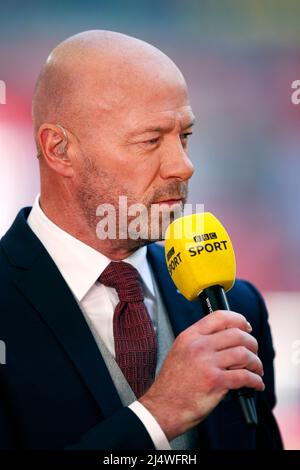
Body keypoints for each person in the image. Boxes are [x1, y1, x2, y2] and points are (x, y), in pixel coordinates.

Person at [0, 30, 282, 450]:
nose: (183, 166)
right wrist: (157, 415)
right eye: (150, 140)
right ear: (59, 149)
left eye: (184, 136)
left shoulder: (236, 307)